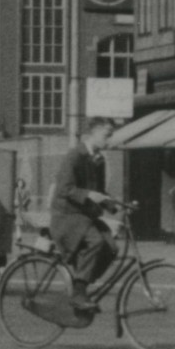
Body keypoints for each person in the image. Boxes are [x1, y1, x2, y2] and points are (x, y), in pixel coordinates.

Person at [50, 118, 120, 312]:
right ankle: (79, 292)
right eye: (107, 136)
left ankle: (82, 284)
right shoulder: (75, 155)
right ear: (94, 133)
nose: (109, 141)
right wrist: (89, 194)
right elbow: (64, 189)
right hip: (67, 216)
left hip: (84, 217)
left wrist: (117, 206)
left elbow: (100, 193)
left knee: (112, 247)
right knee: (96, 241)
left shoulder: (99, 160)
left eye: (111, 136)